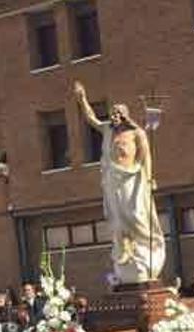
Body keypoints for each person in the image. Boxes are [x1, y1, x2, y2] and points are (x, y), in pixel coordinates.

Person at [74, 80, 165, 283]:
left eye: (117, 114)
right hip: (113, 180)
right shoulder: (107, 130)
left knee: (135, 214)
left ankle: (147, 246)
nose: (113, 117)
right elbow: (91, 119)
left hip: (132, 178)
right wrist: (82, 99)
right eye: (112, 114)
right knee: (117, 218)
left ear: (124, 115)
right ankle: (125, 248)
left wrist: (150, 178)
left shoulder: (137, 133)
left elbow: (146, 157)